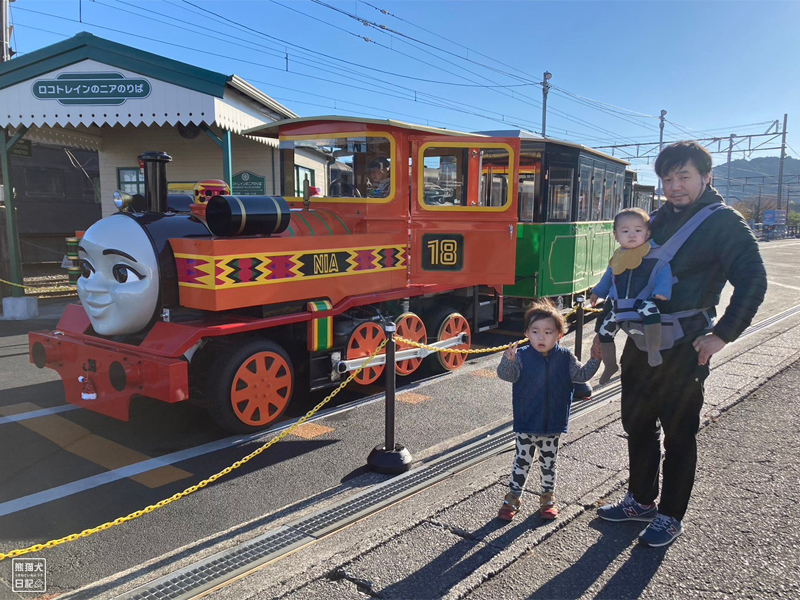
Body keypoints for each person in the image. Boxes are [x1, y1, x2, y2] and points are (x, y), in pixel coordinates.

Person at [597, 141, 767, 547]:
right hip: (640, 341)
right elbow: (626, 276)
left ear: (707, 177)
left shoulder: (724, 223)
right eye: (668, 178)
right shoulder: (654, 219)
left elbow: (753, 280)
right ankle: (640, 500)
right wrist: (604, 327)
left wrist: (722, 335)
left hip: (686, 345)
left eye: (684, 176)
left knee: (678, 433)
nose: (675, 186)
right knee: (636, 424)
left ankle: (671, 514)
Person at [497, 299, 601, 521]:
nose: (541, 337)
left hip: (552, 424)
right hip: (526, 423)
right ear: (527, 333)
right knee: (521, 462)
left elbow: (580, 376)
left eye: (547, 332)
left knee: (549, 464)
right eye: (535, 332)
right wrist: (508, 361)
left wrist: (595, 359)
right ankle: (512, 499)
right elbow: (508, 376)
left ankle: (548, 499)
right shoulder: (522, 356)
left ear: (559, 334)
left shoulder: (565, 357)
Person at [590, 207, 672, 384]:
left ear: (647, 233)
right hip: (619, 305)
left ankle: (653, 350)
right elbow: (608, 279)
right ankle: (610, 365)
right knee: (605, 332)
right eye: (625, 231)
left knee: (652, 312)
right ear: (616, 236)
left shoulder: (655, 254)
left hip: (641, 302)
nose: (632, 235)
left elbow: (664, 273)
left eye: (638, 230)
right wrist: (598, 291)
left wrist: (662, 291)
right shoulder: (617, 257)